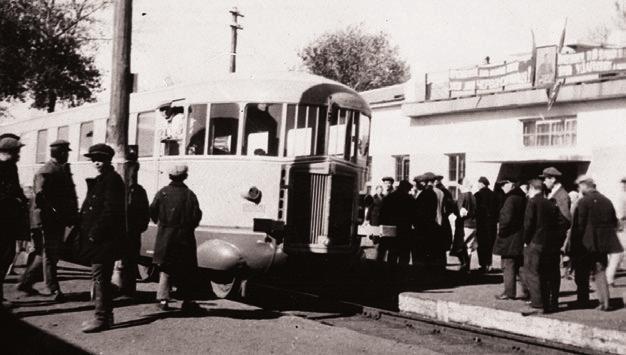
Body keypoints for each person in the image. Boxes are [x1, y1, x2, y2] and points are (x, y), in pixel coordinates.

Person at [17, 140, 78, 302]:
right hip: (46, 221)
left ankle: (25, 283)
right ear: (60, 153)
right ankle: (53, 289)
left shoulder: (61, 169)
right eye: (66, 152)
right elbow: (41, 198)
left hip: (55, 220)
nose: (68, 155)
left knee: (44, 253)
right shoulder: (47, 171)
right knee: (50, 255)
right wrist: (56, 214)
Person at [79, 144, 125, 333]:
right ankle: (106, 316)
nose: (97, 163)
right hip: (101, 238)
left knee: (100, 278)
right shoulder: (103, 179)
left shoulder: (112, 180)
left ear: (108, 160)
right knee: (100, 277)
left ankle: (102, 318)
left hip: (104, 239)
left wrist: (93, 233)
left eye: (100, 159)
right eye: (94, 159)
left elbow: (110, 212)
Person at [150, 164, 203, 313]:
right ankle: (186, 301)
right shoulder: (189, 194)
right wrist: (189, 226)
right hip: (184, 237)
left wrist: (161, 224)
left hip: (165, 237)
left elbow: (152, 210)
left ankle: (162, 300)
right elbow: (196, 215)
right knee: (186, 270)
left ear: (170, 177)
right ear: (185, 176)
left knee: (166, 268)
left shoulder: (162, 193)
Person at [570, 175, 623, 311]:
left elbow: (579, 225)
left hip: (586, 244)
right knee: (600, 272)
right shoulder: (607, 201)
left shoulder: (583, 202)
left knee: (582, 273)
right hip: (603, 244)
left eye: (579, 186)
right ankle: (605, 302)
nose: (579, 188)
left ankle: (583, 301)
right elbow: (614, 222)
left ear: (585, 186)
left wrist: (574, 244)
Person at [523, 179, 564, 313]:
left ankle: (537, 302)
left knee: (532, 272)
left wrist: (525, 240)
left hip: (536, 242)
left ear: (532, 188)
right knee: (550, 273)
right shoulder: (551, 202)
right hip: (550, 243)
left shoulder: (532, 202)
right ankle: (552, 301)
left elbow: (528, 224)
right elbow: (562, 222)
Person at [112, 161, 150, 296]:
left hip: (133, 233)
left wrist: (140, 227)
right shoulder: (118, 190)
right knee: (117, 262)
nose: (132, 175)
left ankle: (128, 289)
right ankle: (116, 288)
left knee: (131, 260)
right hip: (119, 233)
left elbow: (145, 212)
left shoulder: (139, 191)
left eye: (134, 172)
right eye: (131, 172)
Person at [0, 136, 29, 309]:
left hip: (9, 221)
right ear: (7, 152)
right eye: (17, 152)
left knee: (6, 257)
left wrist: (21, 199)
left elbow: (16, 190)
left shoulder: (12, 167)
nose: (19, 155)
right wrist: (15, 200)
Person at [493, 179, 527, 300]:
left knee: (508, 265)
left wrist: (501, 232)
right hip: (520, 237)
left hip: (509, 238)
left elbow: (506, 219)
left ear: (511, 185)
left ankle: (509, 292)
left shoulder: (510, 199)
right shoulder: (523, 198)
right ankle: (528, 290)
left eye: (504, 185)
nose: (503, 188)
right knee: (520, 266)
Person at [379, 180, 416, 268]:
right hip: (405, 231)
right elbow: (414, 216)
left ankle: (391, 276)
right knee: (404, 255)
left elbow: (382, 215)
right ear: (406, 189)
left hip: (391, 230)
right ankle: (401, 276)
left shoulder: (389, 197)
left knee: (392, 254)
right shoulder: (410, 199)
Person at [414, 173, 441, 270]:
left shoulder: (426, 193)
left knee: (423, 248)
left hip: (423, 225)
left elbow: (419, 210)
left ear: (423, 183)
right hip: (429, 223)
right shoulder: (431, 193)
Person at [474, 176, 498, 272]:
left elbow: (476, 210)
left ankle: (483, 264)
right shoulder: (494, 195)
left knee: (482, 244)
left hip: (481, 224)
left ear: (482, 184)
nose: (478, 185)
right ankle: (489, 264)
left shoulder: (477, 195)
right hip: (491, 224)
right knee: (490, 244)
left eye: (479, 183)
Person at [453, 178, 475, 272]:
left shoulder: (463, 196)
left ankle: (464, 265)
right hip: (473, 224)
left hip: (464, 224)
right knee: (469, 247)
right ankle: (467, 267)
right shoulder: (473, 196)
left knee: (460, 246)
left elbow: (461, 212)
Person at [607, 177, 626, 286]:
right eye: (623, 183)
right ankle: (609, 276)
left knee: (618, 253)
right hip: (622, 226)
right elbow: (620, 214)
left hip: (621, 225)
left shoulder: (621, 195)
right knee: (618, 252)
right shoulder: (621, 196)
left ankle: (609, 276)